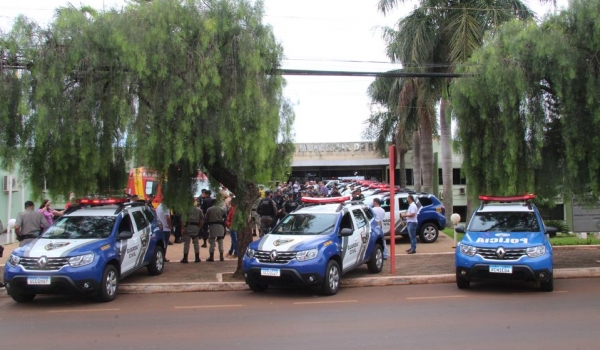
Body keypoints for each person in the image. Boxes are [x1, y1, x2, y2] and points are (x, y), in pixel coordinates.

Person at [181, 198, 205, 263]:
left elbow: (183, 220)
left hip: (188, 227)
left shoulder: (186, 210)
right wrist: (199, 227)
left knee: (186, 243)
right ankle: (197, 258)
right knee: (196, 243)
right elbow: (202, 220)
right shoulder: (199, 210)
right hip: (196, 227)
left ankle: (185, 258)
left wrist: (183, 228)